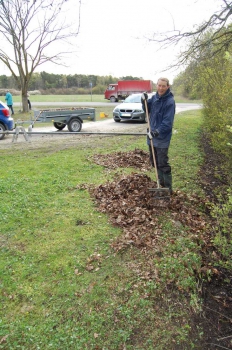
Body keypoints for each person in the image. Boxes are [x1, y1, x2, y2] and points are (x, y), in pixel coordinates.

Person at [141, 77, 175, 194]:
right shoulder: (155, 97)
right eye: (159, 85)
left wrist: (156, 132)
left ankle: (167, 189)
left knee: (162, 163)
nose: (161, 88)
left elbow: (167, 123)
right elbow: (147, 108)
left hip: (161, 138)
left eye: (163, 86)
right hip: (151, 136)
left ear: (167, 87)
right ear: (157, 85)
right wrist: (143, 100)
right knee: (153, 160)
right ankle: (160, 184)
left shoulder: (169, 102)